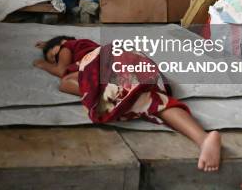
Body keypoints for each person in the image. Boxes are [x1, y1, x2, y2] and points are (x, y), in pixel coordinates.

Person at [33, 36, 221, 172]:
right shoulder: (79, 48)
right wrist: (47, 45)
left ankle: (204, 139)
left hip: (108, 60)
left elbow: (61, 69)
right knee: (151, 100)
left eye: (54, 55)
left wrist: (45, 64)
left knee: (65, 82)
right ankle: (203, 139)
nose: (56, 59)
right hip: (133, 59)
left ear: (61, 44)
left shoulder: (68, 46)